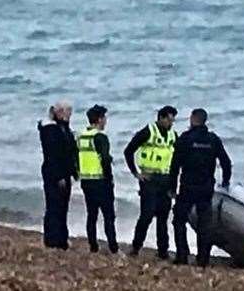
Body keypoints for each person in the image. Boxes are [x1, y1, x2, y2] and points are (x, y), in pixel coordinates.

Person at [170, 108, 232, 267]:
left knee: (179, 220)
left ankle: (182, 256)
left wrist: (172, 188)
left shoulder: (185, 138)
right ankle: (203, 259)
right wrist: (225, 182)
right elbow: (226, 163)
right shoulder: (213, 139)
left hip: (188, 186)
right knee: (204, 223)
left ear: (192, 119)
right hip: (206, 187)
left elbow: (175, 165)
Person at [124, 106, 178, 259]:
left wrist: (174, 186)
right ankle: (136, 247)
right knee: (146, 215)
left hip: (165, 180)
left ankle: (163, 251)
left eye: (173, 120)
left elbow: (177, 161)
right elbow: (129, 150)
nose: (171, 123)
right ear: (160, 118)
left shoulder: (173, 136)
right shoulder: (148, 131)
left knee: (163, 217)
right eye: (168, 119)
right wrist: (136, 173)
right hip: (150, 180)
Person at [77, 104, 119, 254]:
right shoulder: (100, 137)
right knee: (108, 216)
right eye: (104, 118)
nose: (105, 121)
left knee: (92, 215)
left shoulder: (81, 136)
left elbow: (77, 158)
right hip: (101, 181)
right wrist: (110, 179)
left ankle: (93, 246)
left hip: (86, 180)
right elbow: (105, 159)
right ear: (100, 119)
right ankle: (113, 247)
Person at [38, 101, 78, 250]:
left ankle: (61, 238)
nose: (70, 115)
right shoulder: (50, 130)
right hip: (54, 173)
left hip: (63, 172)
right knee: (54, 206)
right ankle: (52, 239)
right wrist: (59, 176)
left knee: (62, 206)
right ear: (59, 112)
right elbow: (53, 155)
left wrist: (74, 172)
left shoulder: (61, 127)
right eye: (68, 112)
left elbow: (69, 150)